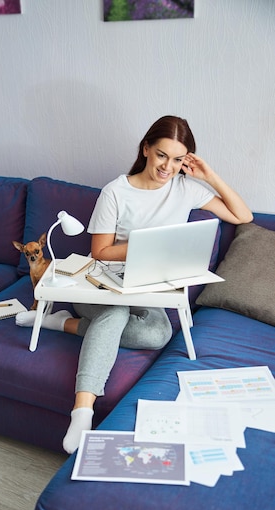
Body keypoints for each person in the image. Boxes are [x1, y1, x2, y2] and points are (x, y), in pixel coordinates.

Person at [16, 115, 253, 453]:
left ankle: (62, 322)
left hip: (147, 285)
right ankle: (82, 410)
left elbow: (243, 216)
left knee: (157, 334)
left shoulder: (186, 189)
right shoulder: (116, 191)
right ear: (146, 149)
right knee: (113, 314)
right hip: (101, 283)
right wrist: (146, 244)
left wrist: (209, 175)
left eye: (176, 159)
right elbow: (100, 252)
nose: (167, 167)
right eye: (161, 155)